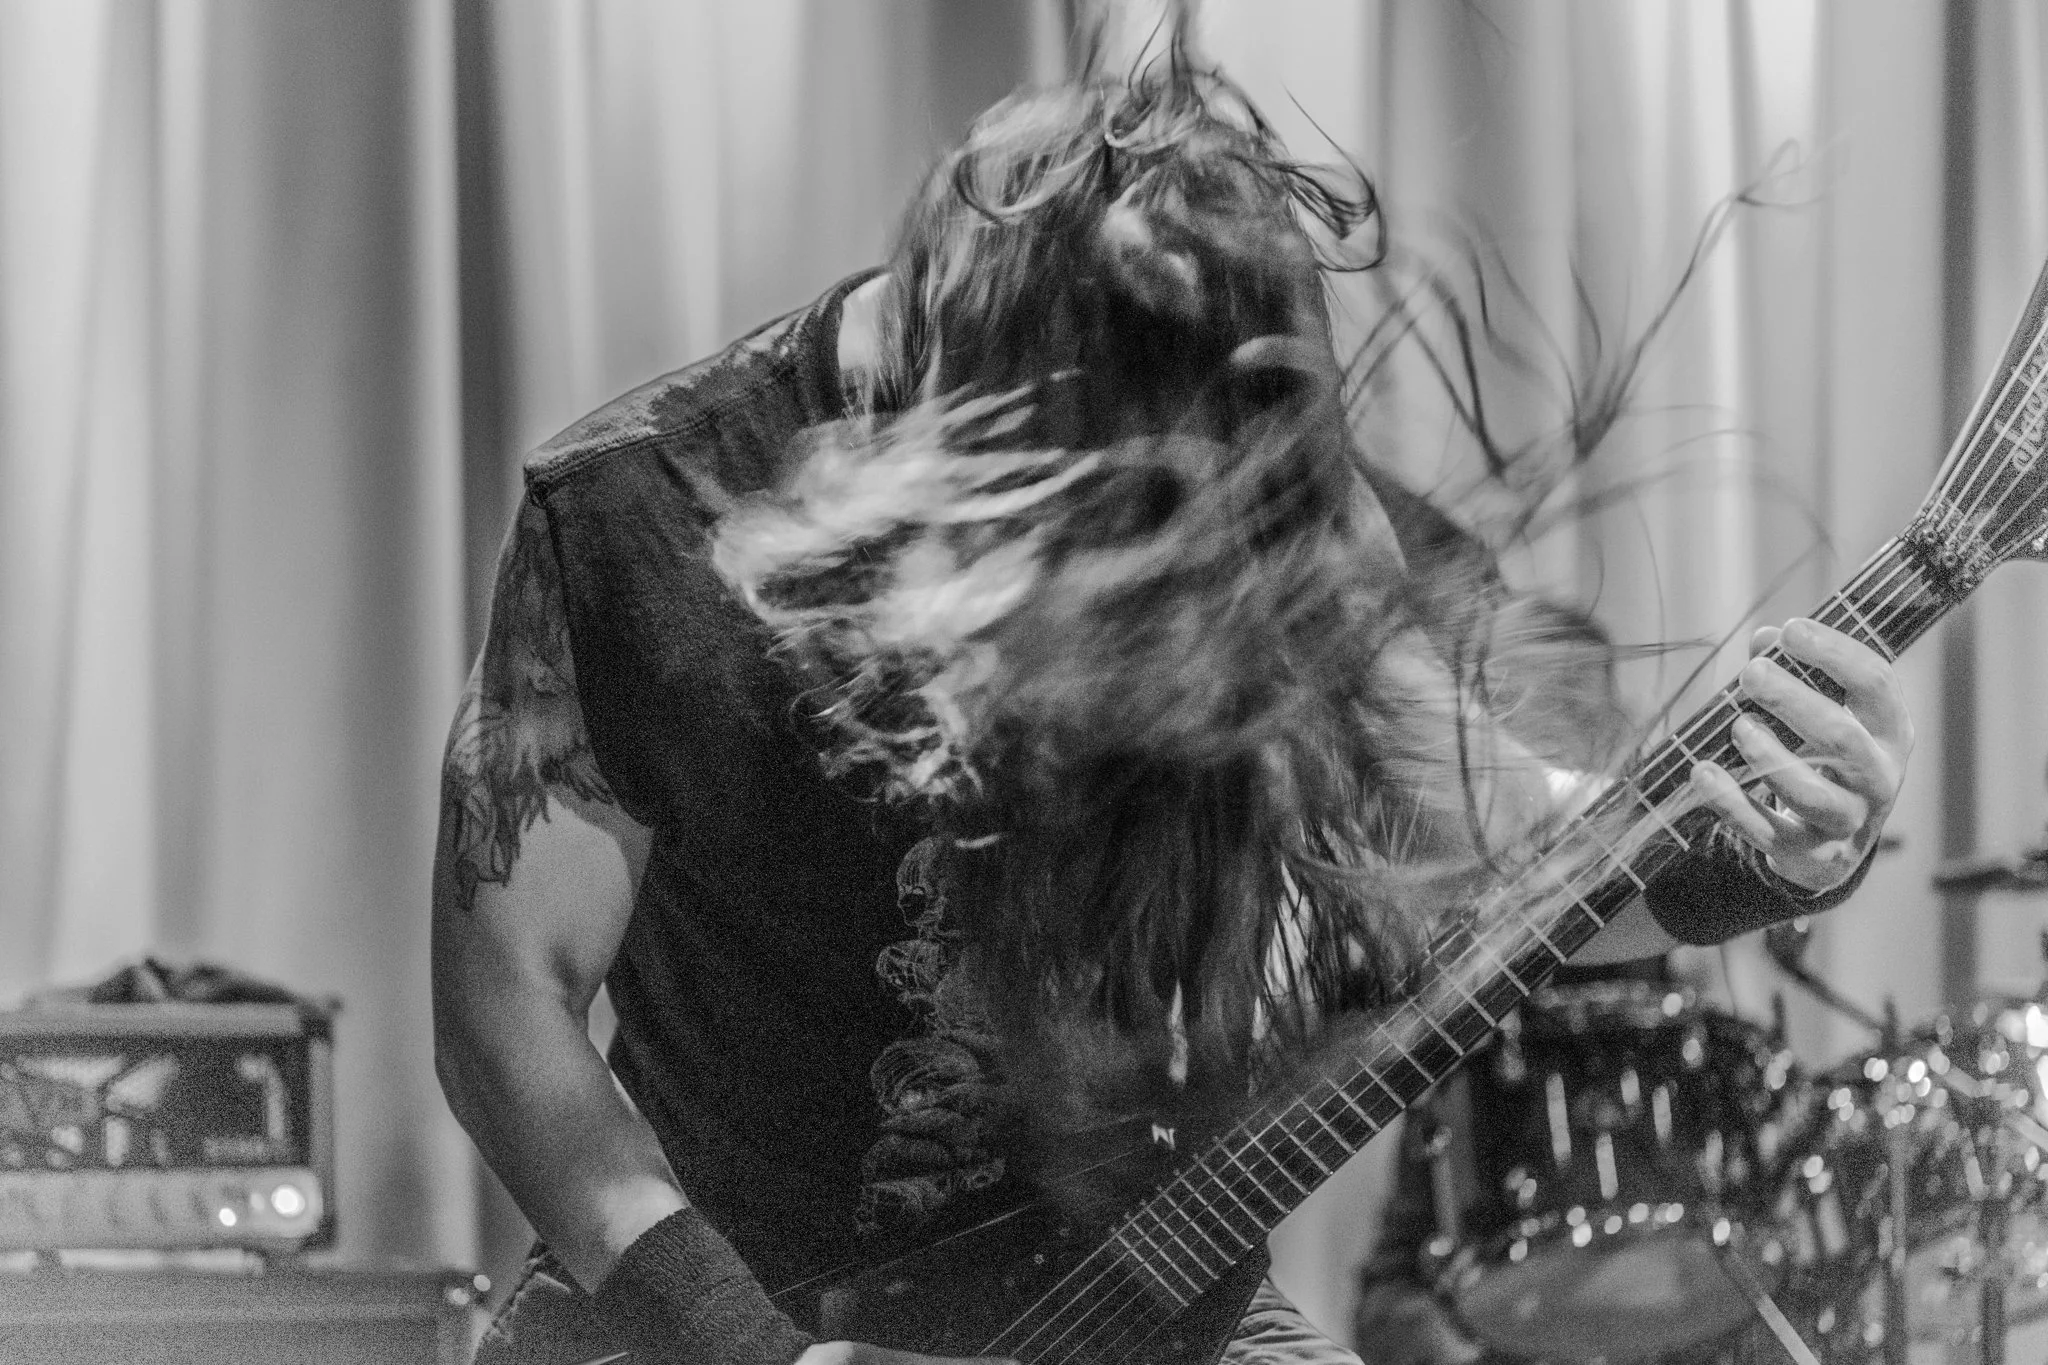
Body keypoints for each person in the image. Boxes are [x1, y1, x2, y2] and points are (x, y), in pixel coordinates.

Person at [431, 36, 1913, 1365]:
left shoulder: (1254, 494)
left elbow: (1512, 871)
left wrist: (1767, 848)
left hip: (1137, 1299)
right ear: (973, 418)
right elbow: (510, 1013)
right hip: (724, 1299)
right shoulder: (638, 510)